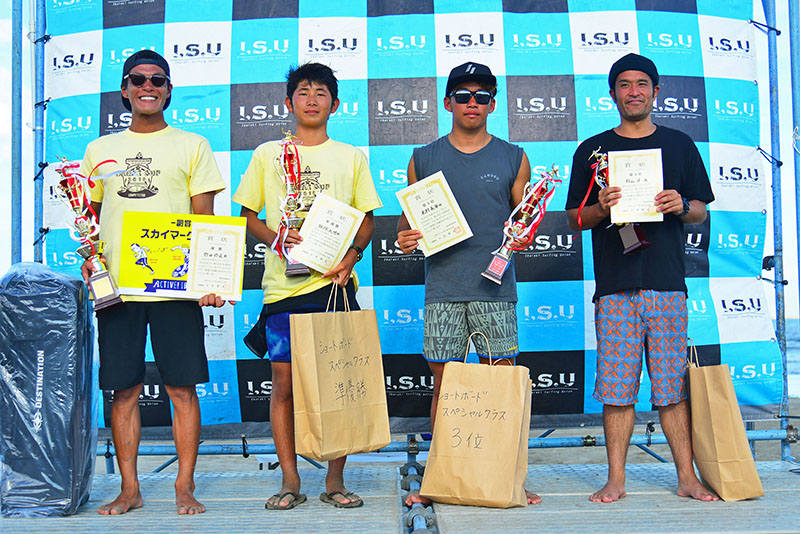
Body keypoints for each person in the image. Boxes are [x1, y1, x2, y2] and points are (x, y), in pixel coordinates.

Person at [565, 53, 718, 503]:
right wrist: (601, 208)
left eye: (642, 84)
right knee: (617, 392)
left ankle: (687, 478)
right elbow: (576, 218)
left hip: (667, 285)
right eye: (624, 84)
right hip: (615, 287)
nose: (633, 92)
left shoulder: (679, 144)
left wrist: (680, 205)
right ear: (612, 93)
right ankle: (616, 479)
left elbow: (700, 210)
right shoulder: (592, 150)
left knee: (672, 390)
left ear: (655, 91)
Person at [80, 50, 226, 515]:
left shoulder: (193, 144)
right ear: (124, 90)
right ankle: (130, 489)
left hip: (175, 287)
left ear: (168, 90)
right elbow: (89, 219)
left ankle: (184, 486)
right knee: (123, 390)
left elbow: (206, 220)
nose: (148, 86)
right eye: (138, 79)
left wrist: (209, 276)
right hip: (118, 289)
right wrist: (90, 257)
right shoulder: (99, 150)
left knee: (182, 389)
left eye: (157, 79)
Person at [232, 63, 382, 511]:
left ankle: (335, 480)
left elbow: (367, 219)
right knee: (283, 385)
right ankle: (290, 479)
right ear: (288, 102)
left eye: (321, 93)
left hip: (334, 286)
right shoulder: (268, 154)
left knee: (337, 383)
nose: (311, 99)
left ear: (335, 105)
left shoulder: (350, 156)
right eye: (303, 91)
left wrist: (351, 258)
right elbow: (248, 215)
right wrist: (276, 239)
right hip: (285, 288)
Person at [396, 62, 541, 506]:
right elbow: (407, 223)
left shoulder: (514, 156)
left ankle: (506, 478)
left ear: (493, 104)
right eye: (463, 95)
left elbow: (524, 219)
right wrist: (405, 239)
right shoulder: (422, 158)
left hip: (495, 288)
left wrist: (526, 233)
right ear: (448, 103)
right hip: (443, 288)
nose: (472, 103)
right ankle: (440, 479)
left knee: (500, 385)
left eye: (482, 96)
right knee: (445, 388)